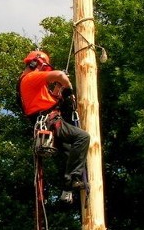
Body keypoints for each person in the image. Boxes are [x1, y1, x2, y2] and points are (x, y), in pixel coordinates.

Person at [18, 50, 90, 203]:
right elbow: (60, 76)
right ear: (35, 63)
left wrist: (58, 89)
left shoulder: (29, 83)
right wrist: (68, 89)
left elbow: (48, 100)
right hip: (50, 121)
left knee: (69, 154)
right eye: (43, 68)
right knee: (83, 137)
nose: (44, 72)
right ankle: (71, 180)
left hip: (46, 123)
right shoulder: (30, 78)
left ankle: (67, 190)